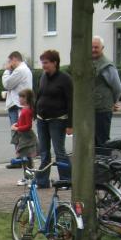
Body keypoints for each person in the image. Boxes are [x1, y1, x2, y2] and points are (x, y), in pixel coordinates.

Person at [34, 49, 72, 189]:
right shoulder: (43, 77)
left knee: (59, 151)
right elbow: (39, 95)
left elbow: (71, 102)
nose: (43, 66)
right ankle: (42, 181)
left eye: (46, 63)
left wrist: (70, 124)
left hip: (58, 119)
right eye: (42, 63)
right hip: (42, 119)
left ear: (55, 63)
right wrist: (35, 111)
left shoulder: (65, 79)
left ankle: (66, 180)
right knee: (44, 151)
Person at [92, 36, 121, 147]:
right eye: (92, 47)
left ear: (102, 48)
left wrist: (114, 102)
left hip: (102, 109)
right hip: (89, 109)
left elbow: (117, 87)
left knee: (102, 142)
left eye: (96, 47)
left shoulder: (107, 66)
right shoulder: (87, 62)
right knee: (90, 142)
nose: (93, 50)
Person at [10, 88, 38, 186]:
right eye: (20, 97)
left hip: (26, 138)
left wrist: (17, 128)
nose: (20, 99)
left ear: (27, 99)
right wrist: (17, 124)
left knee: (27, 159)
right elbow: (22, 122)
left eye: (22, 97)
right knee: (25, 158)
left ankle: (29, 178)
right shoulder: (25, 109)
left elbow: (28, 126)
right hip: (23, 137)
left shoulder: (27, 110)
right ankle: (28, 177)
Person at [1, 51, 32, 127]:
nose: (9, 64)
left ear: (14, 59)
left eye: (9, 61)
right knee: (20, 129)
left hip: (17, 104)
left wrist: (7, 70)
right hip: (20, 104)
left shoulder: (20, 70)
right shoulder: (24, 69)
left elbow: (7, 84)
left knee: (16, 130)